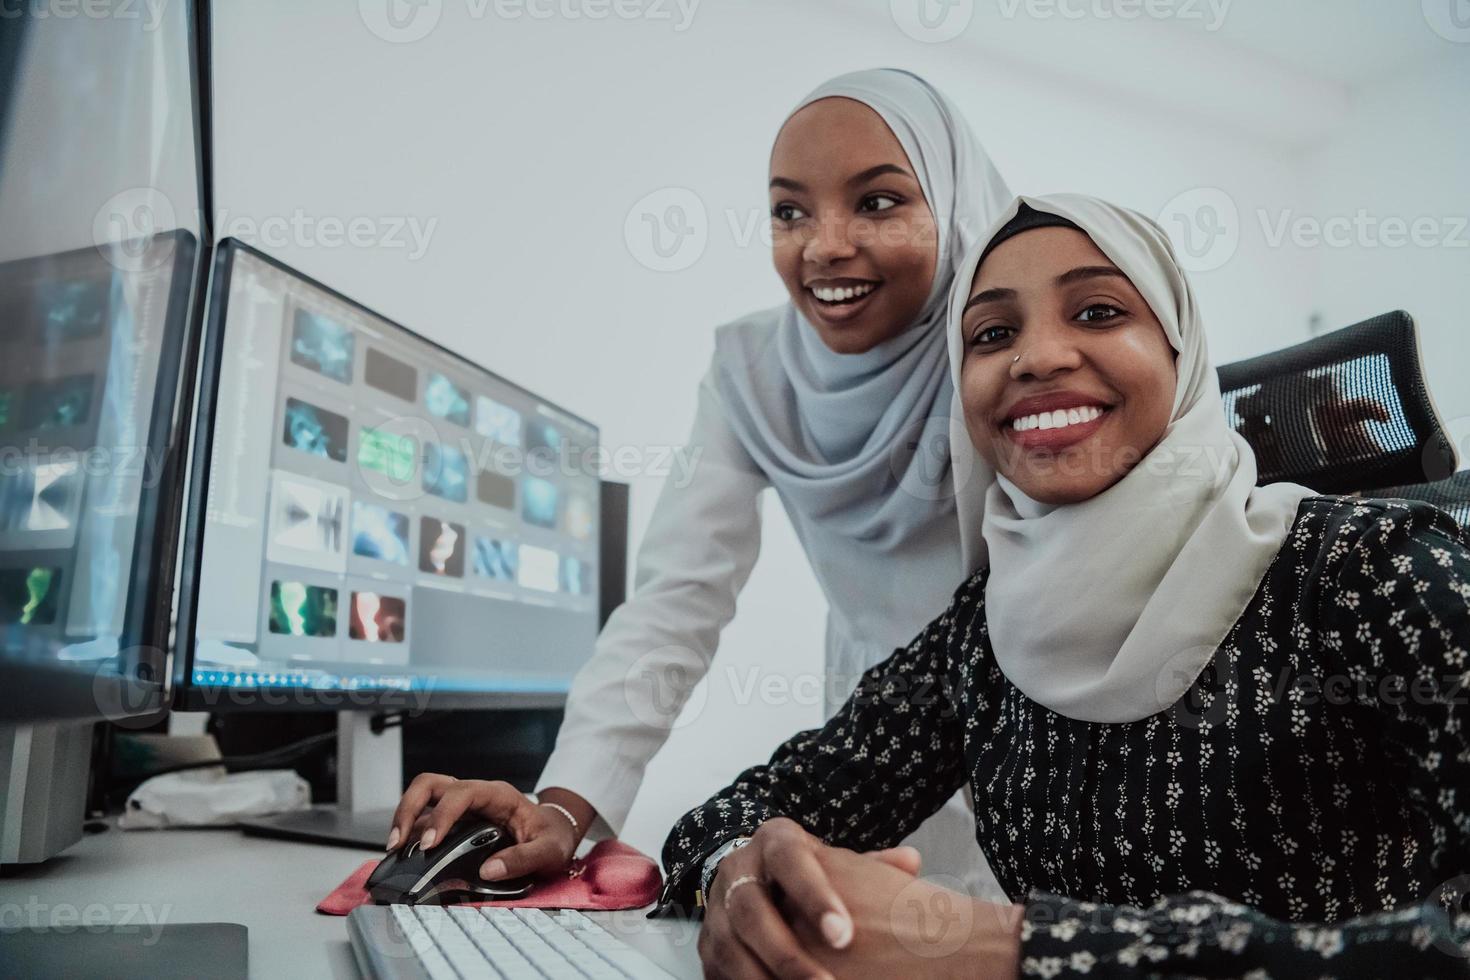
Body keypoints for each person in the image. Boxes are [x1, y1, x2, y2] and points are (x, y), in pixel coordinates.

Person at [656, 194, 1470, 979]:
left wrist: (1009, 952)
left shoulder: (1367, 568)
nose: (1037, 356)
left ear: (1182, 353)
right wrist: (744, 875)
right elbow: (752, 809)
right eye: (992, 333)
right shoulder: (983, 631)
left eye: (1098, 312)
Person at [385, 68, 1014, 900]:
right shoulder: (753, 372)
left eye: (878, 202)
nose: (823, 245)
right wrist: (563, 808)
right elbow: (673, 604)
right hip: (871, 742)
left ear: (958, 206)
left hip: (1034, 731)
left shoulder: (1009, 353)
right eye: (789, 211)